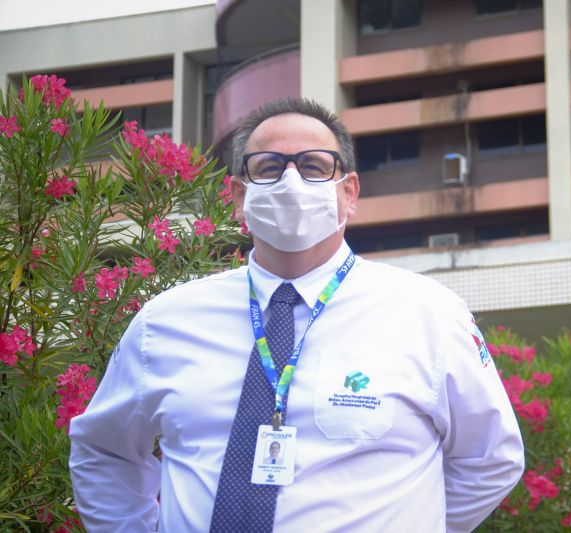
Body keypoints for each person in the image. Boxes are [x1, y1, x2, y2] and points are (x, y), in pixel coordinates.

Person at [69, 97, 524, 532]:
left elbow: (490, 458)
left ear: (349, 192)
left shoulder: (427, 314)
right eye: (268, 167)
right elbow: (104, 452)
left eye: (312, 166)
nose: (290, 182)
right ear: (237, 196)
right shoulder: (165, 323)